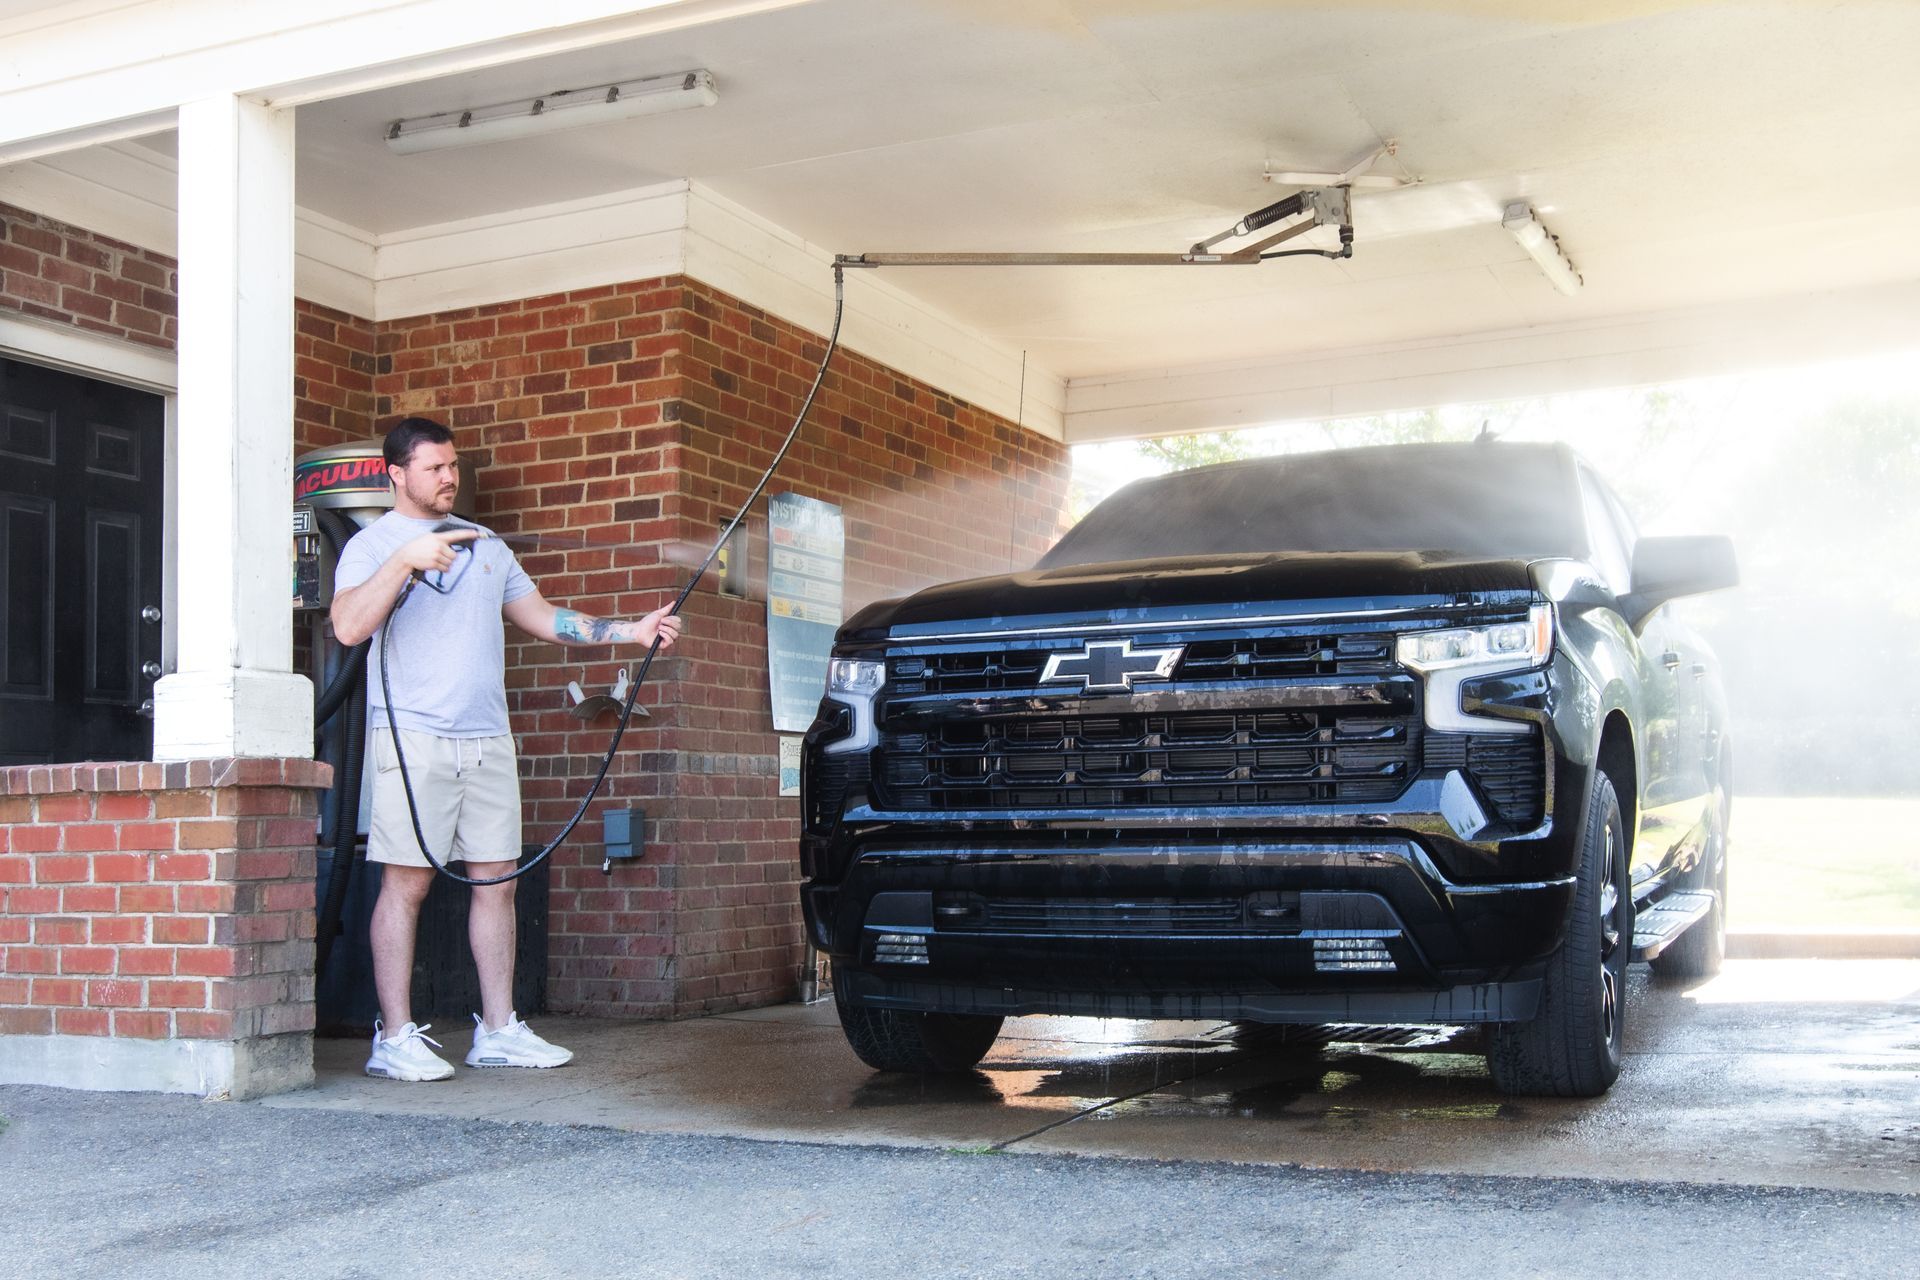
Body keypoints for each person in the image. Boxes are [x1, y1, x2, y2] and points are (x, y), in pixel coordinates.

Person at [331, 416, 682, 1082]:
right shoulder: (372, 544)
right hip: (414, 737)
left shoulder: (486, 545)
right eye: (434, 467)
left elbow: (546, 618)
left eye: (452, 466)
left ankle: (497, 1030)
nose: (448, 477)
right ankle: (395, 1037)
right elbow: (348, 627)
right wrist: (405, 561)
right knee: (407, 883)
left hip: (487, 737)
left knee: (498, 879)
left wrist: (629, 631)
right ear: (396, 474)